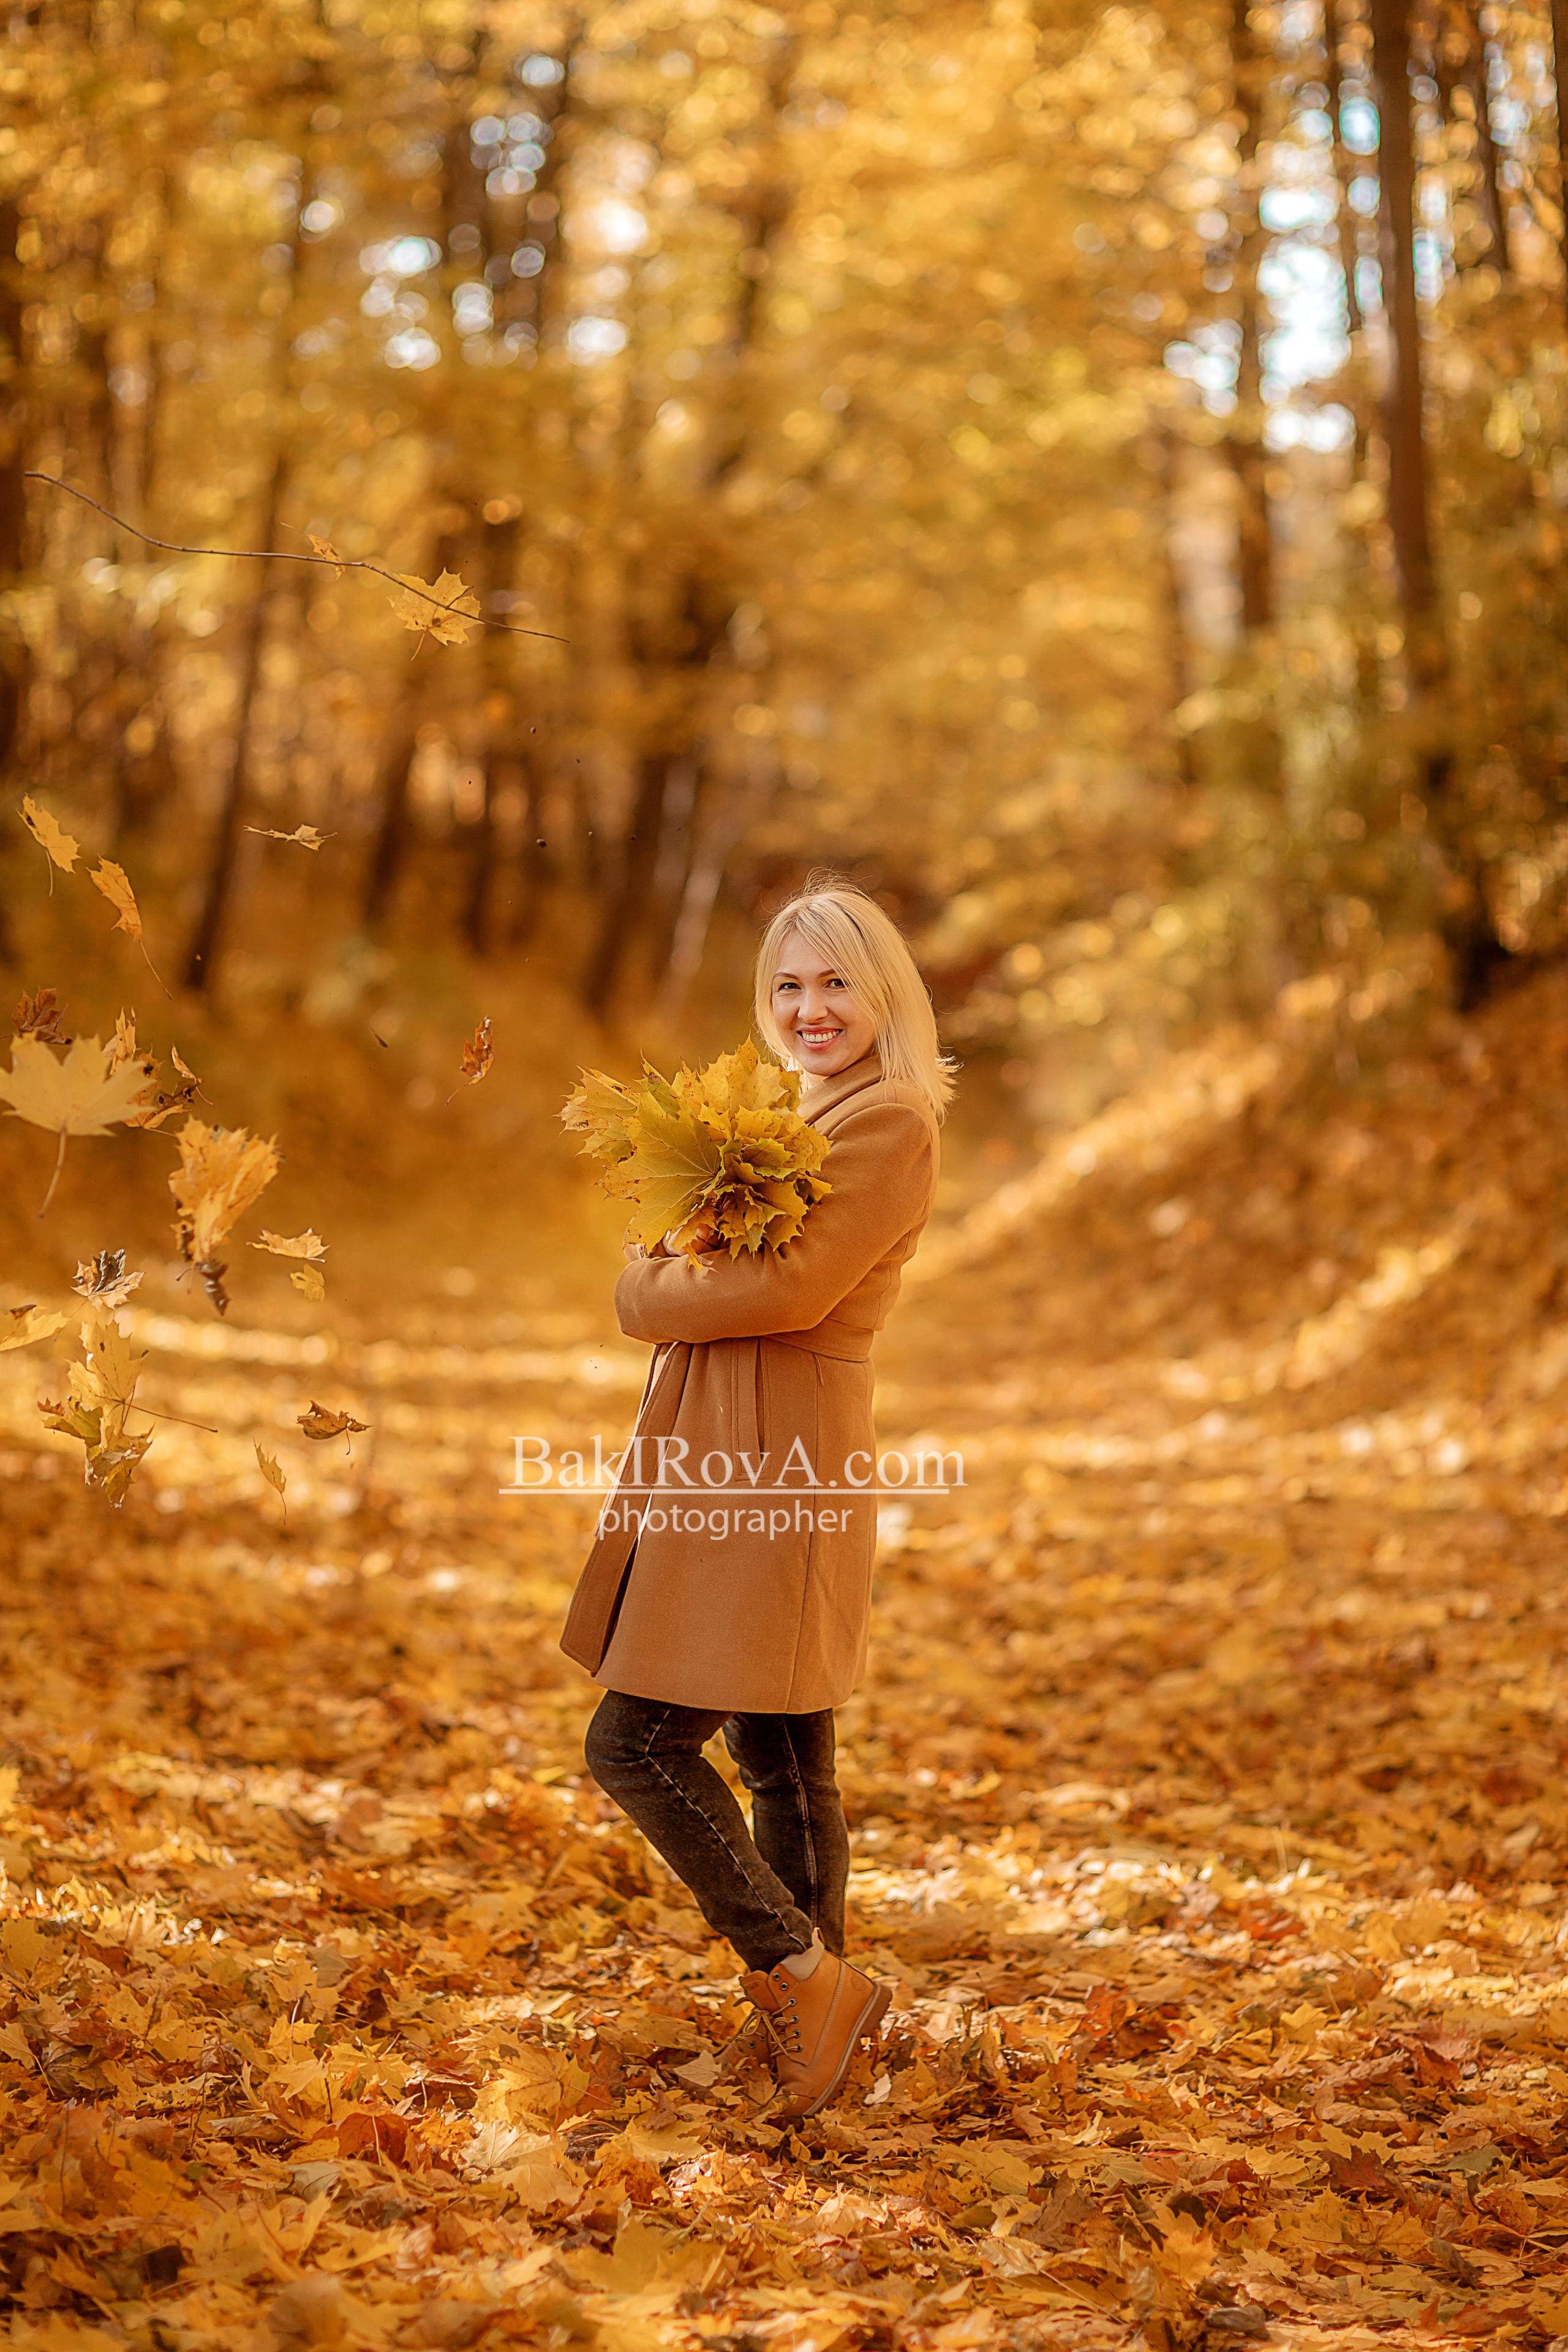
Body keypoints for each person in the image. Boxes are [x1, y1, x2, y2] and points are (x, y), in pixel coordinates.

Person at [559, 876, 955, 2122]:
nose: (810, 1006)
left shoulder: (884, 1124)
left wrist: (643, 1292)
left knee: (632, 1743)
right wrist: (684, 1267)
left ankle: (797, 1977)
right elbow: (729, 1265)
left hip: (773, 1451)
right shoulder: (804, 1115)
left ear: (882, 990)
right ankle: (818, 2018)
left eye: (835, 981)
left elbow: (782, 1293)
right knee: (782, 1753)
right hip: (736, 1439)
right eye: (788, 985)